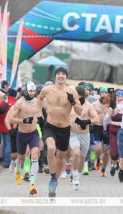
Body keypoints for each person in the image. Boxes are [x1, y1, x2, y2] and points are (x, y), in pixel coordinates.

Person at [38, 67, 83, 197]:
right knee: (51, 149)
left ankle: (54, 182)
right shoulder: (47, 90)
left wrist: (73, 102)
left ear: (66, 77)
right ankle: (52, 176)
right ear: (55, 76)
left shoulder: (72, 91)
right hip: (50, 125)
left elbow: (80, 112)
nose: (61, 76)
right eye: (58, 74)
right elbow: (39, 98)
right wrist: (38, 112)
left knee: (61, 157)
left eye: (63, 74)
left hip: (64, 128)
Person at [7, 82, 42, 195]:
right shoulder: (20, 103)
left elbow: (42, 113)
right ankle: (18, 170)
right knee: (21, 158)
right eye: (31, 91)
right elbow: (11, 119)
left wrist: (43, 119)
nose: (33, 93)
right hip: (22, 134)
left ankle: (32, 184)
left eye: (34, 91)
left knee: (35, 154)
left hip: (33, 133)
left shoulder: (37, 102)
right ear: (26, 91)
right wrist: (23, 121)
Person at [70, 85, 99, 190]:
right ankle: (74, 174)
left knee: (82, 157)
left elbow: (96, 119)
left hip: (84, 135)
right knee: (76, 153)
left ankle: (78, 175)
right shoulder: (70, 105)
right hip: (73, 134)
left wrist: (86, 122)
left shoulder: (88, 106)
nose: (79, 97)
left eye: (81, 95)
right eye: (77, 95)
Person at [106, 89, 123, 176]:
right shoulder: (113, 105)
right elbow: (108, 118)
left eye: (122, 96)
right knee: (114, 154)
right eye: (118, 96)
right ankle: (114, 165)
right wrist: (112, 107)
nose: (120, 98)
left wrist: (113, 122)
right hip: (113, 131)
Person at [92, 86, 109, 176]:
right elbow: (90, 114)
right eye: (102, 92)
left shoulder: (110, 104)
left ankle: (103, 169)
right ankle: (98, 159)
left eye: (106, 93)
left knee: (106, 151)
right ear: (100, 93)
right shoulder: (95, 104)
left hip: (107, 128)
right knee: (98, 148)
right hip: (98, 127)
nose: (104, 94)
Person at [0, 88, 17, 168]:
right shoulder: (15, 103)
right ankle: (7, 162)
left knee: (5, 143)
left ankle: (4, 160)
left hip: (2, 126)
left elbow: (0, 113)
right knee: (9, 144)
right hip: (10, 127)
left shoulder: (3, 102)